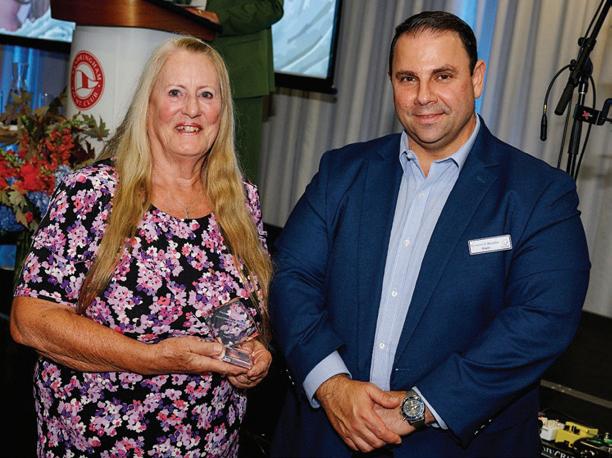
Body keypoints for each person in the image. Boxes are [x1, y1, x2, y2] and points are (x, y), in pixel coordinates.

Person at [269, 11, 590, 458]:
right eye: (408, 78)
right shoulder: (341, 171)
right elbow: (291, 276)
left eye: (442, 76)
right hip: (327, 435)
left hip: (456, 445)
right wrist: (331, 384)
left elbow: (542, 319)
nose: (423, 96)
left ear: (477, 78)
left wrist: (417, 409)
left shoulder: (539, 193)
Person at [10, 36, 273, 457]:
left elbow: (236, 314)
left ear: (223, 112)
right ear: (148, 105)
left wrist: (251, 353)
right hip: (99, 444)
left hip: (212, 444)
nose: (192, 109)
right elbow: (30, 320)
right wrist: (151, 358)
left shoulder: (242, 201)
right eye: (176, 93)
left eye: (207, 95)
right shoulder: (93, 194)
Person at [198, 0, 284, 184]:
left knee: (238, 171)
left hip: (241, 74)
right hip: (194, 61)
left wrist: (219, 18)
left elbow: (271, 7)